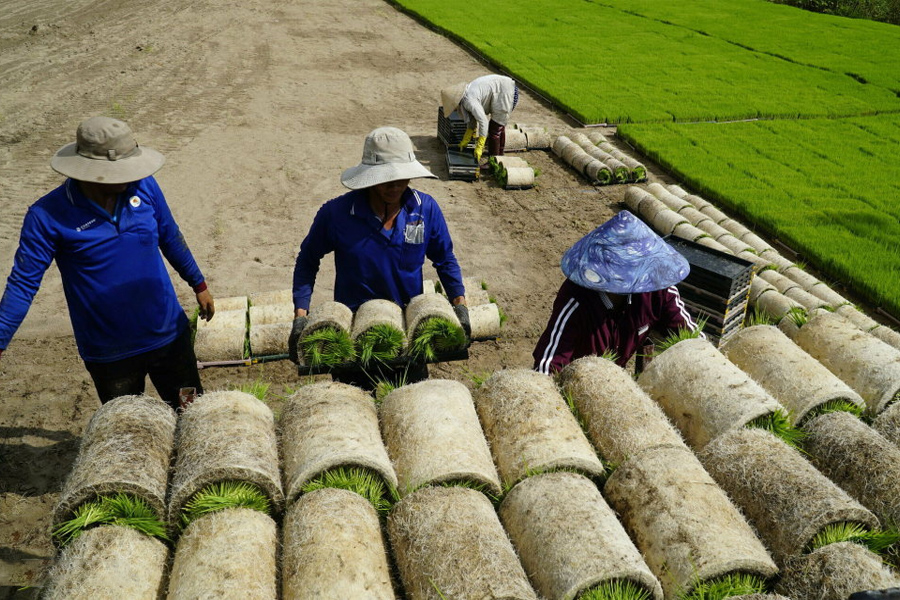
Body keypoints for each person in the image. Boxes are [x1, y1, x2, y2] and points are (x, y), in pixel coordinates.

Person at [0, 116, 215, 410]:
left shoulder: (145, 187)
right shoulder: (46, 216)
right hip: (110, 353)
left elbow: (170, 236)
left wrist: (198, 284)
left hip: (168, 335)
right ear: (89, 171)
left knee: (190, 411)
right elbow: (23, 285)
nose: (130, 176)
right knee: (127, 434)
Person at [289, 126, 469, 388]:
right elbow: (307, 261)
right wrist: (300, 317)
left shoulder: (425, 209)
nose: (395, 186)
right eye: (386, 179)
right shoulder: (337, 214)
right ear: (370, 177)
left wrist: (460, 305)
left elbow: (445, 259)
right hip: (352, 335)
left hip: (409, 332)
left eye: (402, 178)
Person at [533, 210, 702, 375]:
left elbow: (693, 339)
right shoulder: (576, 299)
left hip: (616, 381)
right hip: (579, 381)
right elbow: (547, 367)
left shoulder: (658, 291)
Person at [441, 74, 519, 162]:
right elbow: (472, 117)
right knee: (499, 126)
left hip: (506, 92)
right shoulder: (465, 95)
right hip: (504, 89)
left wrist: (480, 146)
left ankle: (493, 161)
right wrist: (467, 137)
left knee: (494, 129)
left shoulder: (469, 100)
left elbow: (483, 121)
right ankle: (500, 156)